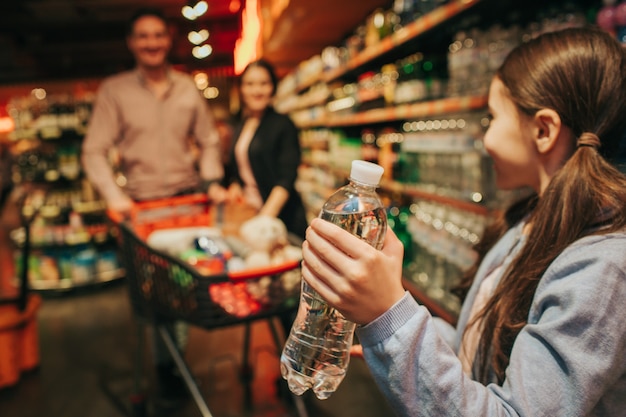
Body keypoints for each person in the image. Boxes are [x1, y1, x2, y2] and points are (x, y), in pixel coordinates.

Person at [300, 26, 626, 416]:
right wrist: (390, 325)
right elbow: (479, 351)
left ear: (543, 130)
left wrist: (390, 318)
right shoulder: (530, 219)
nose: (483, 137)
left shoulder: (604, 270)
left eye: (492, 118)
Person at [81, 7, 226, 403]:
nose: (151, 43)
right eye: (143, 36)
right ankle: (168, 368)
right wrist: (115, 196)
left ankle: (172, 362)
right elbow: (94, 151)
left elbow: (209, 140)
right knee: (153, 298)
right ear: (131, 43)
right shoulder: (115, 91)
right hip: (141, 211)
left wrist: (212, 181)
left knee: (186, 288)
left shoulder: (186, 88)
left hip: (187, 206)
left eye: (158, 35)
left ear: (168, 39)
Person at [222, 59, 308, 240]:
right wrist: (236, 186)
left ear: (273, 87)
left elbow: (286, 180)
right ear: (241, 89)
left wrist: (263, 220)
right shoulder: (242, 124)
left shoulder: (283, 125)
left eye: (264, 83)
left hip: (279, 221)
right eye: (250, 84)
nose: (257, 90)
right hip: (250, 215)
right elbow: (242, 167)